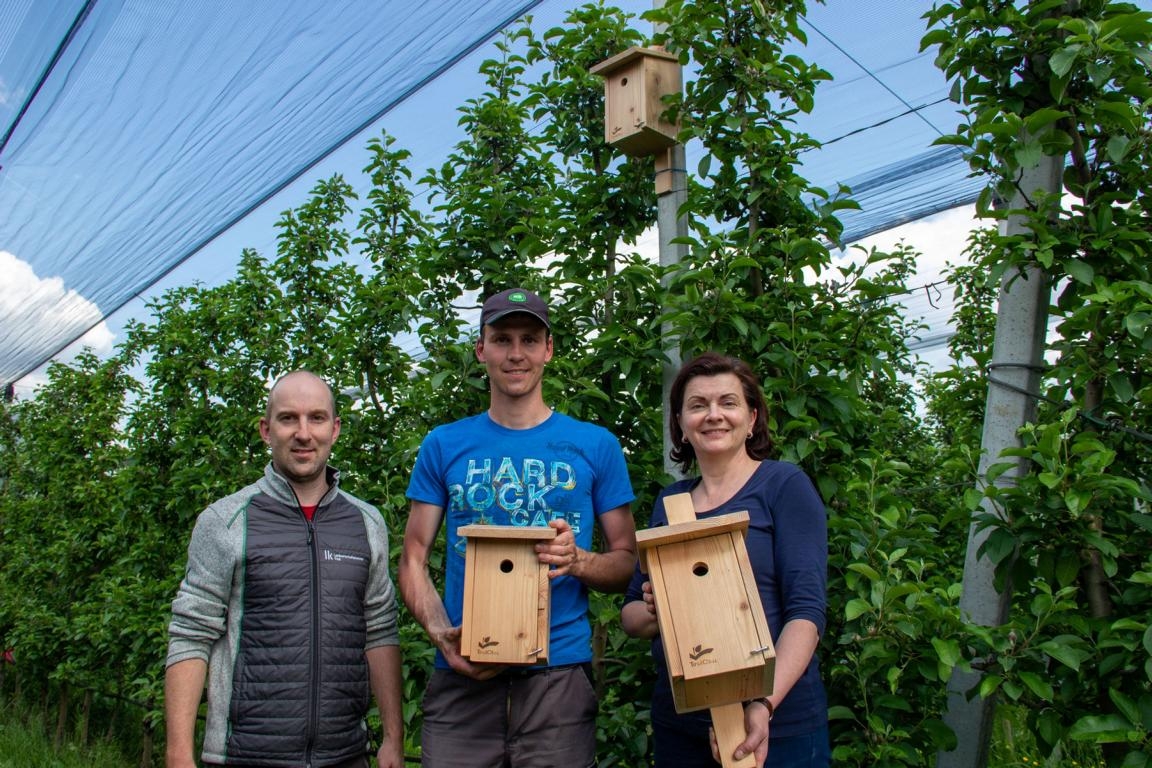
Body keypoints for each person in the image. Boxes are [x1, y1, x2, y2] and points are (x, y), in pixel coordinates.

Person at [399, 287, 637, 768]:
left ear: (548, 349)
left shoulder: (595, 445)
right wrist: (442, 633)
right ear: (480, 349)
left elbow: (627, 561)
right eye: (502, 339)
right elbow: (413, 557)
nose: (516, 354)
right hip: (464, 672)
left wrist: (579, 560)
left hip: (558, 677)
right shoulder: (444, 444)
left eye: (529, 340)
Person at [165, 370, 403, 768]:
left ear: (336, 428)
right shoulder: (226, 521)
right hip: (244, 756)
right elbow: (191, 633)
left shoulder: (367, 523)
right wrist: (178, 755)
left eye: (317, 418)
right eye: (288, 418)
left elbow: (379, 629)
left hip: (344, 757)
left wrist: (394, 737)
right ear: (266, 429)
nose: (304, 433)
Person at [622, 352, 829, 768]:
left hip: (777, 721)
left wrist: (763, 705)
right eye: (698, 405)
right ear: (680, 424)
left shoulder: (784, 486)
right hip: (681, 724)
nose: (713, 415)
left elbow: (807, 612)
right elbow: (631, 615)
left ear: (752, 418)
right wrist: (655, 610)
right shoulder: (670, 503)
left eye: (728, 403)